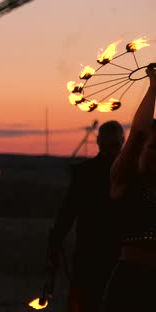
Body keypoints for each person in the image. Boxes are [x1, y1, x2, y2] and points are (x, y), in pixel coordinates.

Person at [49, 120, 124, 312]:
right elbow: (68, 211)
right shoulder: (86, 173)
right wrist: (56, 241)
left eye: (113, 147)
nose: (110, 152)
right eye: (108, 147)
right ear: (98, 142)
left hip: (115, 255)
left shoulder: (127, 173)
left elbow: (67, 212)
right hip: (92, 254)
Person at [102, 63, 156, 312]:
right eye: (153, 148)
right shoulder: (125, 179)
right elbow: (138, 132)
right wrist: (154, 86)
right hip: (131, 281)